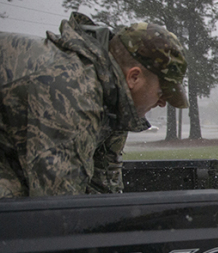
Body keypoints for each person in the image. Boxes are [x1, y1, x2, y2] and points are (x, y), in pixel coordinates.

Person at [0, 12, 188, 197]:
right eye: (161, 92)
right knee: (15, 198)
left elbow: (104, 185)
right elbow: (57, 205)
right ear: (134, 77)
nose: (163, 103)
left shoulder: (114, 99)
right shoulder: (72, 90)